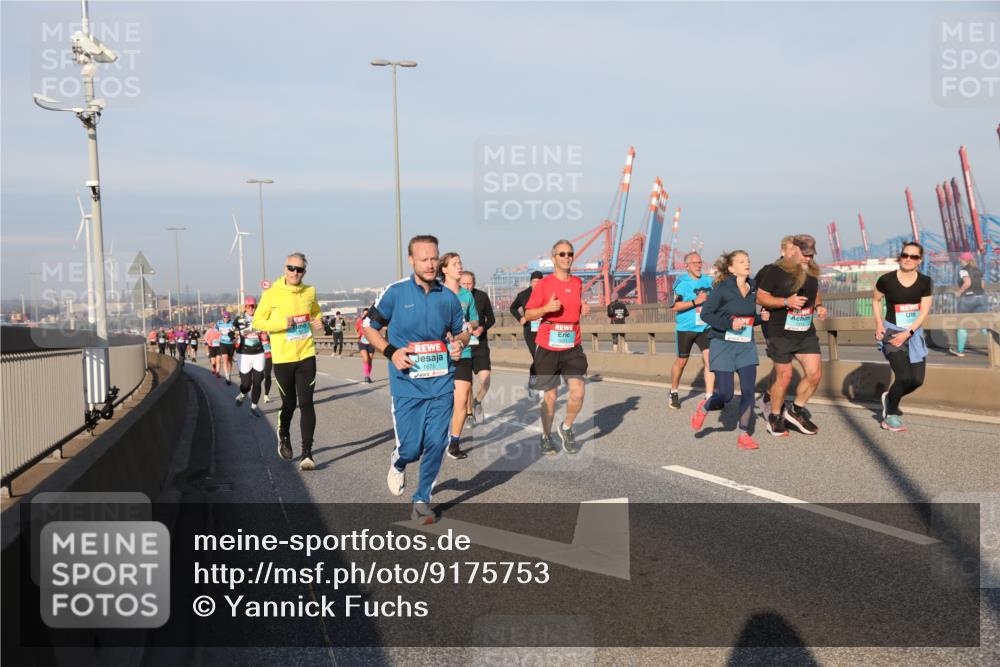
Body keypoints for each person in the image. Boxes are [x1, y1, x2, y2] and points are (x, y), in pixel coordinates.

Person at [364, 234, 469, 524]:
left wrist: (459, 342)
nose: (431, 264)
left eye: (434, 258)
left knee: (436, 443)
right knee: (411, 447)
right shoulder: (395, 293)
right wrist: (391, 351)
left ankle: (422, 499)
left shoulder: (448, 297)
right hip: (407, 384)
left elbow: (462, 330)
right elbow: (369, 328)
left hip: (441, 381)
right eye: (424, 259)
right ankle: (398, 461)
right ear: (411, 260)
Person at [690, 251, 768, 450]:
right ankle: (705, 406)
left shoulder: (753, 288)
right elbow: (707, 314)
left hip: (746, 346)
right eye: (741, 261)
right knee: (726, 395)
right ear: (731, 268)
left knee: (749, 392)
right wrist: (728, 324)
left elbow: (749, 318)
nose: (747, 264)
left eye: (748, 261)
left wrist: (761, 318)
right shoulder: (723, 288)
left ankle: (744, 435)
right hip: (722, 344)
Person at [253, 253, 324, 470]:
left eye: (299, 269)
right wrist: (282, 323)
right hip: (283, 358)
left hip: (306, 355)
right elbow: (258, 321)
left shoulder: (310, 291)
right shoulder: (272, 293)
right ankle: (283, 432)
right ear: (285, 268)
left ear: (305, 272)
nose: (295, 272)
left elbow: (316, 312)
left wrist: (318, 321)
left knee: (306, 403)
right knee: (289, 404)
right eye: (291, 268)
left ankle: (307, 453)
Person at [755, 235, 827, 437]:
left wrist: (819, 306)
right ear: (794, 250)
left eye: (811, 255)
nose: (807, 258)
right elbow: (760, 296)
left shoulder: (811, 270)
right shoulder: (775, 271)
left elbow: (815, 290)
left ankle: (795, 411)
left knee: (815, 374)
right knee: (784, 376)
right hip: (780, 331)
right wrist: (786, 302)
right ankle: (775, 417)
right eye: (804, 254)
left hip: (805, 331)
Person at [524, 240, 590, 455]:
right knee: (550, 397)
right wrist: (546, 308)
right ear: (553, 258)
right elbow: (528, 314)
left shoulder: (578, 283)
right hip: (548, 345)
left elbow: (575, 306)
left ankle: (567, 427)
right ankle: (545, 434)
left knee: (578, 392)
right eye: (561, 254)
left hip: (572, 344)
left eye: (570, 253)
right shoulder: (543, 284)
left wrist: (583, 307)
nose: (566, 257)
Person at [873, 242, 933, 432]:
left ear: (920, 261)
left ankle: (890, 397)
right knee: (904, 376)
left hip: (913, 333)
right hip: (891, 332)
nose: (908, 259)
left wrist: (908, 333)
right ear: (900, 257)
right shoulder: (886, 280)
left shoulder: (925, 282)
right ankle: (890, 415)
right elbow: (875, 300)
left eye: (913, 257)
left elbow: (924, 311)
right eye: (905, 255)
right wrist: (879, 323)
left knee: (916, 380)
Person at [438, 254, 479, 460]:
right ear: (444, 269)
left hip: (464, 352)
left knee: (462, 399)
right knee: (442, 401)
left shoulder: (467, 296)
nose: (459, 266)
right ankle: (435, 437)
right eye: (455, 264)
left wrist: (468, 328)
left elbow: (475, 321)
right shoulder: (435, 292)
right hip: (439, 354)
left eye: (461, 263)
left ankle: (454, 442)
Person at [668, 252, 715, 410]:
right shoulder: (680, 283)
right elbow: (675, 307)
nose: (699, 265)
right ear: (686, 266)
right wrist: (696, 301)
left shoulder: (709, 281)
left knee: (710, 361)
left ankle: (709, 396)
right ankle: (674, 391)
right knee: (682, 362)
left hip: (705, 328)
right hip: (686, 328)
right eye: (695, 263)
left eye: (700, 262)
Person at [460, 271, 495, 425]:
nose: (467, 287)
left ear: (474, 283)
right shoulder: (455, 297)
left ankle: (478, 401)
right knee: (467, 384)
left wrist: (482, 327)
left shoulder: (481, 296)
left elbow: (491, 319)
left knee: (485, 380)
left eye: (470, 283)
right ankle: (469, 414)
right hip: (463, 345)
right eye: (464, 283)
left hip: (480, 344)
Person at [509, 270, 544, 399]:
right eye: (534, 281)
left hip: (544, 329)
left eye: (539, 281)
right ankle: (535, 384)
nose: (537, 283)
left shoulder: (548, 293)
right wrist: (520, 318)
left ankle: (538, 385)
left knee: (543, 358)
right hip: (530, 331)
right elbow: (512, 308)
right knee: (537, 358)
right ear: (531, 282)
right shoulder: (524, 295)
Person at [950, 252, 988, 357]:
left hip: (967, 299)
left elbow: (967, 283)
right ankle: (997, 345)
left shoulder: (963, 270)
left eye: (960, 259)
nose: (959, 260)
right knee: (983, 325)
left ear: (963, 260)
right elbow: (982, 285)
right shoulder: (978, 270)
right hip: (981, 297)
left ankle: (960, 350)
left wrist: (959, 292)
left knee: (962, 324)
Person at [233, 296, 266, 417]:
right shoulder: (239, 319)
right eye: (249, 306)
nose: (251, 308)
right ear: (245, 307)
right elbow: (232, 332)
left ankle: (253, 408)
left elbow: (266, 332)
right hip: (244, 354)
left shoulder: (260, 318)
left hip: (259, 353)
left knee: (257, 382)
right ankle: (242, 395)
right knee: (246, 384)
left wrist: (265, 335)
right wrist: (233, 337)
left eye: (253, 306)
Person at [216, 311, 237, 385]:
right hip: (223, 343)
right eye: (224, 317)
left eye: (227, 317)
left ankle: (229, 373)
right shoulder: (219, 323)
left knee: (230, 360)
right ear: (223, 317)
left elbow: (236, 332)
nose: (226, 318)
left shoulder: (233, 323)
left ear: (229, 317)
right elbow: (217, 330)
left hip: (231, 344)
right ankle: (227, 376)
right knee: (225, 359)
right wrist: (219, 333)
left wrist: (234, 337)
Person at [356, 308, 376, 383]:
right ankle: (366, 376)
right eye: (364, 314)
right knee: (366, 359)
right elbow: (357, 331)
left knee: (370, 361)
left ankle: (367, 376)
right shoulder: (359, 322)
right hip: (362, 343)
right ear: (362, 314)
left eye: (367, 314)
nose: (365, 315)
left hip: (371, 343)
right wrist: (358, 334)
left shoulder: (373, 322)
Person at [261, 330, 273, 403]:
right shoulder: (257, 333)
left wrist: (269, 336)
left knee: (267, 375)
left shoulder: (270, 333)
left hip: (269, 356)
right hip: (259, 357)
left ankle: (266, 395)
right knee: (259, 376)